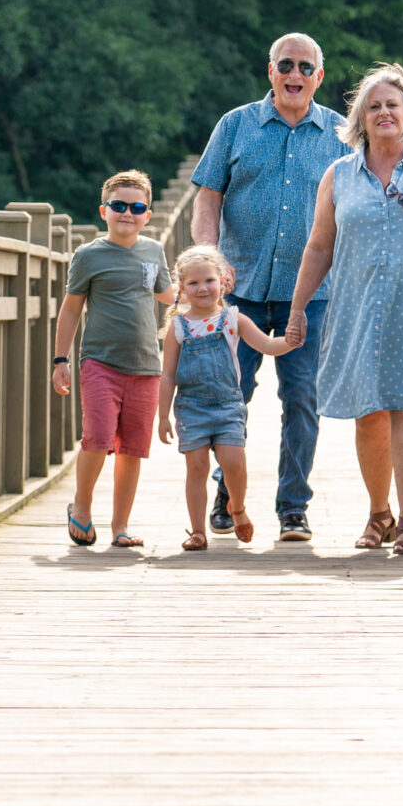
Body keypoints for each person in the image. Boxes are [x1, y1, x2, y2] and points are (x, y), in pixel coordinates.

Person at [285, 64, 403, 555]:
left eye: (393, 104)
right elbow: (318, 248)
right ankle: (379, 516)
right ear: (361, 119)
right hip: (357, 310)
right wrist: (298, 308)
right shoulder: (339, 175)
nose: (384, 112)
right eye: (374, 106)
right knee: (369, 414)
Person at [190, 32, 350, 542]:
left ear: (319, 77)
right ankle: (227, 494)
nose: (295, 75)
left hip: (312, 293)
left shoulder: (343, 135)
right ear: (271, 70)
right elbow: (207, 198)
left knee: (302, 398)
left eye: (306, 67)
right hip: (239, 288)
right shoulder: (235, 125)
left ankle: (293, 508)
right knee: (229, 394)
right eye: (287, 65)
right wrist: (209, 259)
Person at [53, 169, 177, 548]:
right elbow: (71, 309)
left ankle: (120, 526)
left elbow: (167, 296)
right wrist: (60, 359)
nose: (127, 213)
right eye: (118, 205)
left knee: (133, 449)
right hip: (100, 362)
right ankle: (83, 505)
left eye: (136, 207)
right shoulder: (88, 255)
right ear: (103, 210)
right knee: (97, 437)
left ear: (147, 215)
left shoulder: (154, 250)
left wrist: (205, 286)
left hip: (145, 365)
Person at [156, 245, 299, 551]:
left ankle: (237, 507)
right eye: (193, 283)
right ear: (181, 289)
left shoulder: (234, 319)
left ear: (222, 282)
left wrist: (291, 341)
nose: (202, 288)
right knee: (196, 467)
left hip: (227, 406)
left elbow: (268, 346)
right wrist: (163, 416)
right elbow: (167, 375)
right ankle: (197, 530)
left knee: (233, 461)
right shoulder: (178, 328)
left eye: (208, 280)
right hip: (191, 407)